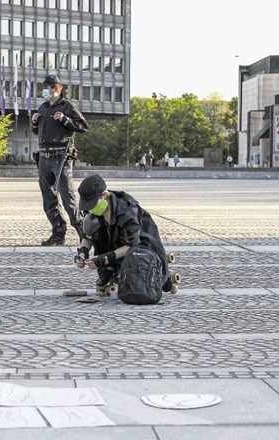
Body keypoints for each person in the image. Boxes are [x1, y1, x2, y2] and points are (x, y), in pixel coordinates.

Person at [74, 175, 173, 294]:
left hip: (141, 247)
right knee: (92, 223)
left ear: (104, 195)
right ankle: (110, 270)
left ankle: (162, 274)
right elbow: (87, 234)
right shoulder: (91, 208)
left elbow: (132, 245)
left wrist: (104, 259)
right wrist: (82, 252)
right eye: (87, 206)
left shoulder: (128, 211)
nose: (90, 209)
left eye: (92, 204)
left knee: (145, 284)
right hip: (114, 245)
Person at [31, 74, 88, 246]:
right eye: (44, 88)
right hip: (44, 158)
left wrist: (65, 119)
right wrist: (34, 124)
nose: (44, 91)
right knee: (49, 198)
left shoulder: (67, 106)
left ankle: (84, 234)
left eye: (47, 88)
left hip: (60, 158)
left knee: (68, 197)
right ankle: (58, 233)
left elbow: (83, 127)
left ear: (57, 89)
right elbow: (38, 133)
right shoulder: (42, 107)